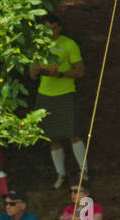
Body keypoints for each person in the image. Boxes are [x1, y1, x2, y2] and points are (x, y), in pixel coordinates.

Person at [30, 11, 87, 188]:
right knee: (52, 138)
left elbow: (80, 71)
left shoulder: (69, 45)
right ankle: (60, 174)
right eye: (47, 29)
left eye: (54, 28)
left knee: (73, 134)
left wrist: (61, 73)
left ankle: (84, 171)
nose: (51, 32)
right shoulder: (38, 47)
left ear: (59, 27)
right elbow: (32, 75)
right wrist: (38, 68)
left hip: (65, 92)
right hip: (45, 94)